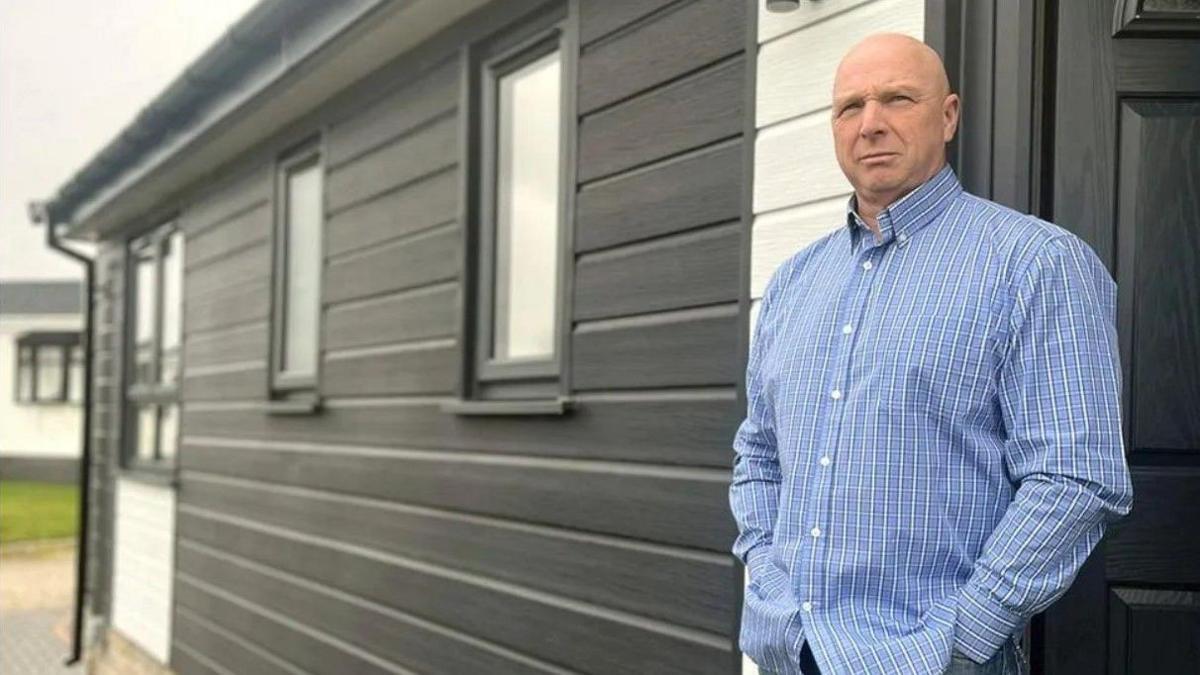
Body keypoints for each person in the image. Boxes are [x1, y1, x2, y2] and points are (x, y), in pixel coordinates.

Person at [729, 33, 1133, 675]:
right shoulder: (794, 282)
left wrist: (962, 641)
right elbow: (759, 453)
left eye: (897, 98)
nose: (871, 125)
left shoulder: (1035, 265)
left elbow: (1076, 477)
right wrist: (768, 577)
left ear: (947, 116)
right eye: (849, 107)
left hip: (931, 658)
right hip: (790, 652)